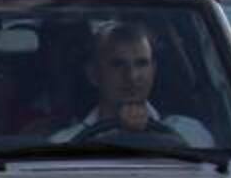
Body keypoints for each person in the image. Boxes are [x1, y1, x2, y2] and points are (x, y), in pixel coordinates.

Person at [52, 21, 213, 147]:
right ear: (94, 74)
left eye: (141, 64)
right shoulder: (64, 144)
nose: (132, 76)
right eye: (117, 64)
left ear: (153, 70)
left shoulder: (191, 135)